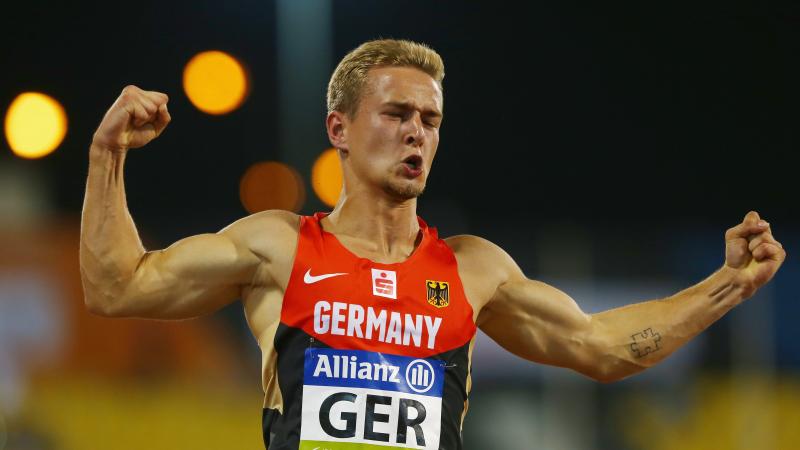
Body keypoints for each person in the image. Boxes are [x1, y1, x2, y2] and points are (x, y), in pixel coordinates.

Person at [79, 39, 786, 450]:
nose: (417, 132)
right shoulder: (279, 246)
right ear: (340, 129)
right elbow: (116, 286)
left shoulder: (473, 270)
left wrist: (728, 285)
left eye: (431, 119)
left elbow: (601, 346)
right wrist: (106, 155)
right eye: (395, 114)